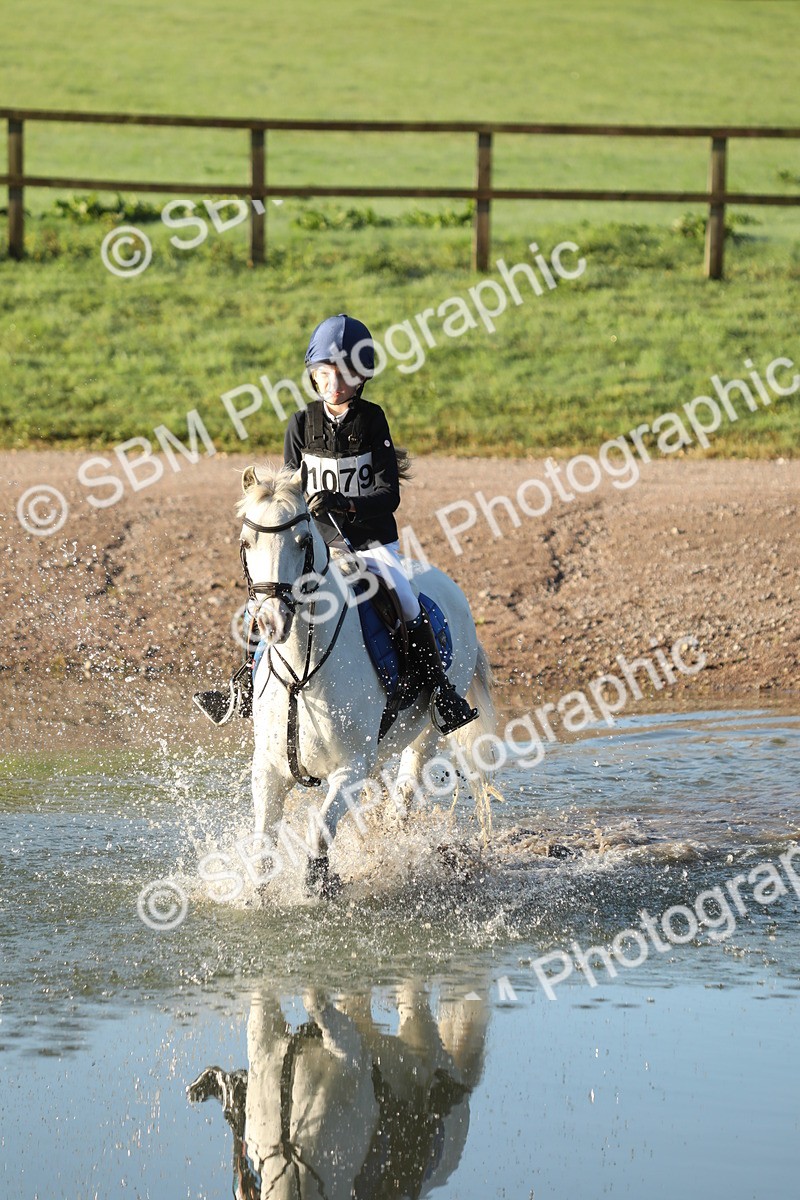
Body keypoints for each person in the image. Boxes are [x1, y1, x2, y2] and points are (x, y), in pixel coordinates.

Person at [194, 313, 477, 735]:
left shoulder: (372, 420)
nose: (334, 384)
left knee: (407, 600)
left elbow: (390, 495)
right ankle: (242, 687)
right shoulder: (300, 424)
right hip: (315, 547)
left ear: (361, 377)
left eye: (344, 375)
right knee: (264, 602)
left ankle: (438, 693)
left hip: (371, 543)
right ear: (312, 375)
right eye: (324, 374)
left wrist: (345, 505)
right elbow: (287, 496)